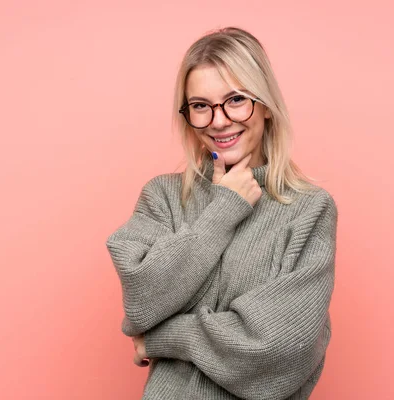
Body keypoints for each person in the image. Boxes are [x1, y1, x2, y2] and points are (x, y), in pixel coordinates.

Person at [106, 26, 338, 400]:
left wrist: (163, 338)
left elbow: (277, 348)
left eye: (235, 100)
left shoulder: (309, 209)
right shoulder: (163, 197)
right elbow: (142, 303)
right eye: (200, 106)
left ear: (264, 104)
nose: (218, 120)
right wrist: (224, 209)